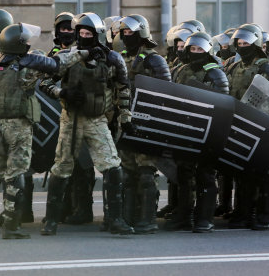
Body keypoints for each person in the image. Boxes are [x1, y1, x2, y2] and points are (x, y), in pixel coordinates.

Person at [39, 12, 134, 236]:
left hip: (97, 120)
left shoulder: (112, 59)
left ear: (98, 35)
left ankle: (115, 219)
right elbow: (44, 82)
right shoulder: (67, 56)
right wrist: (63, 92)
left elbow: (123, 88)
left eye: (88, 33)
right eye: (80, 33)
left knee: (112, 166)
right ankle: (51, 220)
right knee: (62, 168)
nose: (83, 37)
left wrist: (125, 117)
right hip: (70, 120)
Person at [0, 22, 66, 239]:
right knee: (16, 175)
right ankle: (11, 226)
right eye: (27, 42)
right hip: (19, 128)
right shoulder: (28, 67)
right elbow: (56, 65)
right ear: (20, 44)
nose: (30, 44)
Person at [168, 31, 229, 233]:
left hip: (208, 128)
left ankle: (205, 218)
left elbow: (223, 104)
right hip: (185, 127)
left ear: (208, 50)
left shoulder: (215, 72)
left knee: (205, 174)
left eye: (200, 49)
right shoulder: (181, 70)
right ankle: (184, 216)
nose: (196, 52)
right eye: (192, 49)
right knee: (184, 173)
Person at [118, 14, 171, 234]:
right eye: (124, 33)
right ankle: (128, 216)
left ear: (141, 34)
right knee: (127, 170)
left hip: (147, 122)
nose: (126, 36)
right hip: (125, 120)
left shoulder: (154, 60)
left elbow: (167, 93)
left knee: (146, 170)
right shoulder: (119, 57)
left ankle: (147, 218)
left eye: (131, 33)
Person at [225, 24, 269, 230]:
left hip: (263, 126)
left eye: (246, 43)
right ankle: (244, 212)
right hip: (240, 125)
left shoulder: (267, 68)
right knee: (243, 172)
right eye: (239, 43)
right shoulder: (235, 67)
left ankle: (268, 215)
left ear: (256, 44)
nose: (242, 47)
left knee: (264, 173)